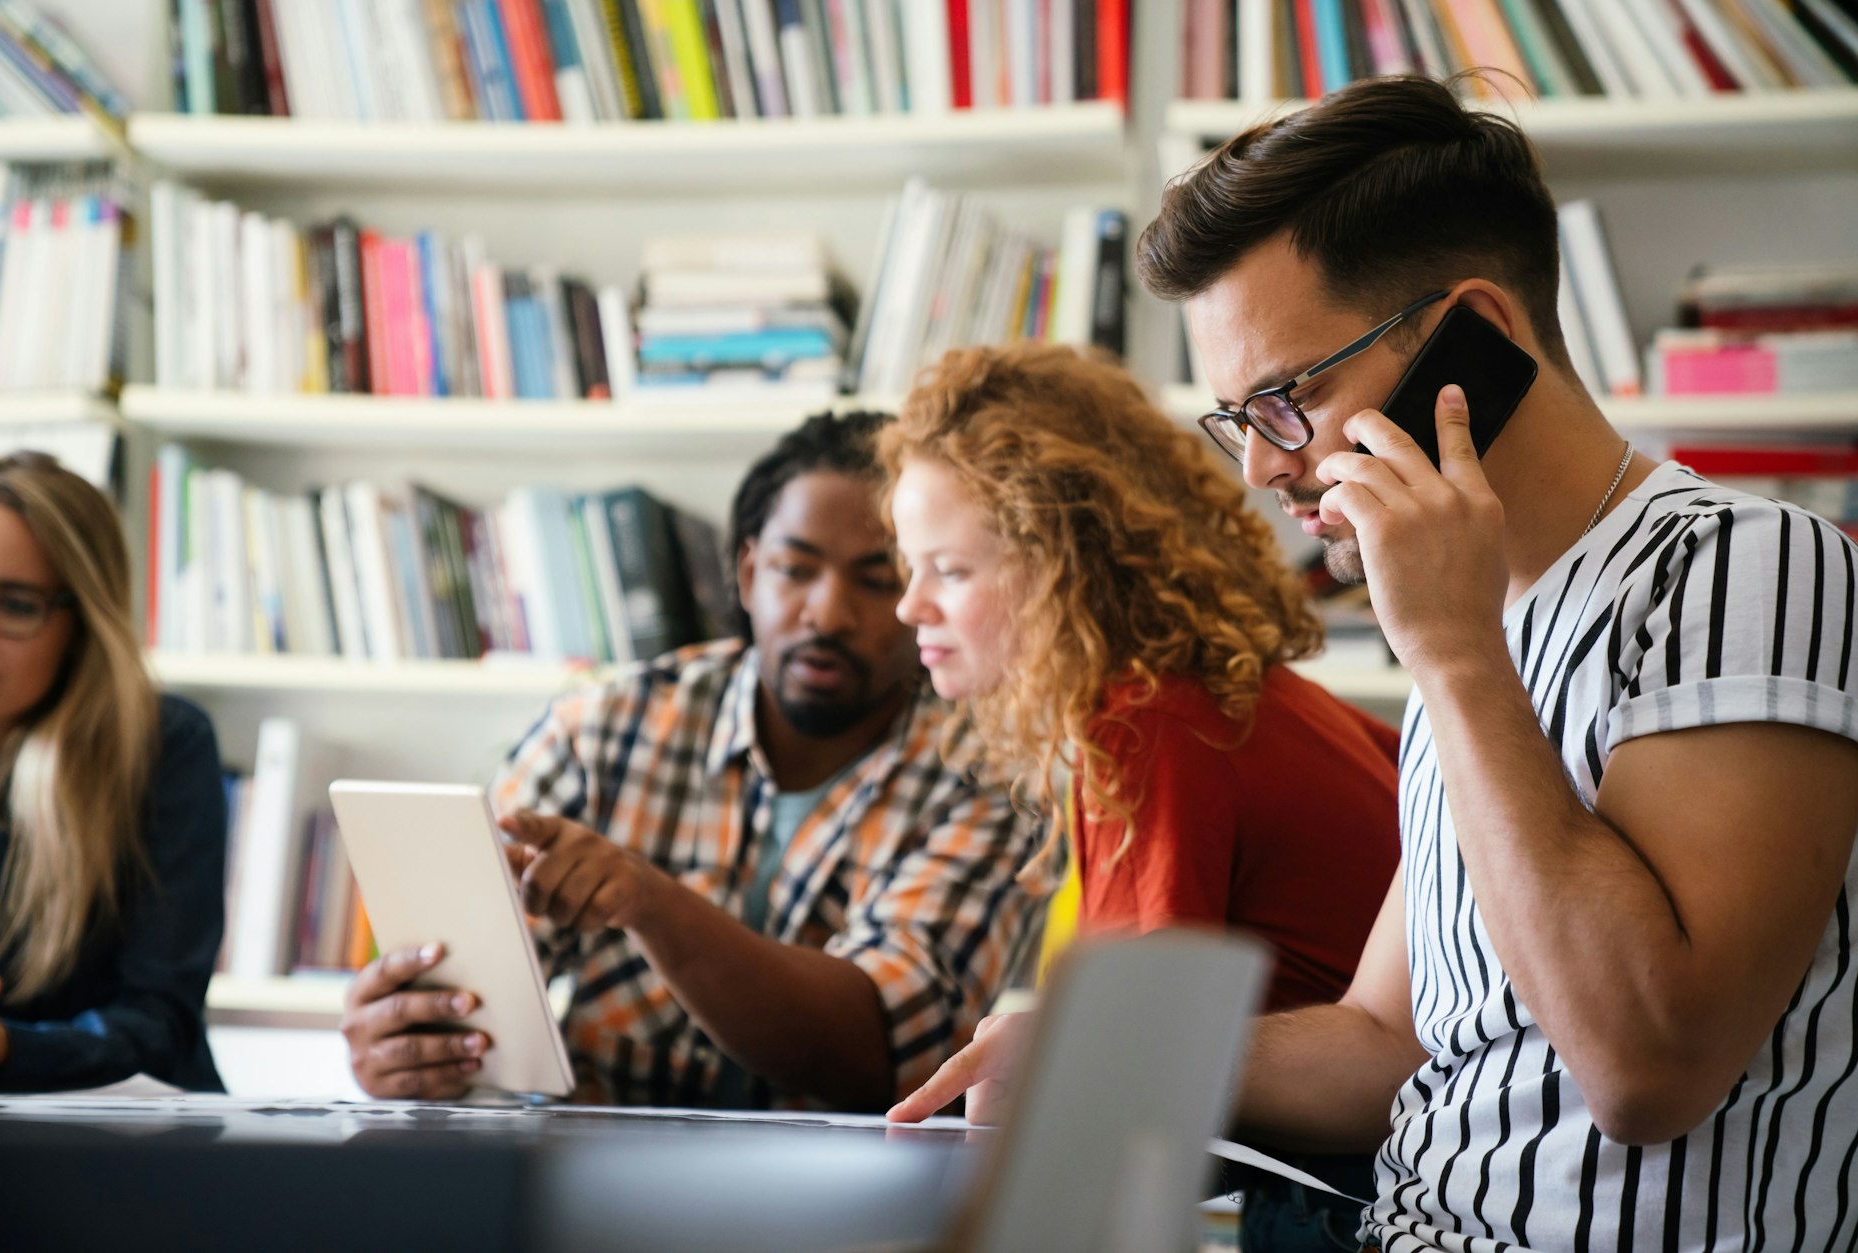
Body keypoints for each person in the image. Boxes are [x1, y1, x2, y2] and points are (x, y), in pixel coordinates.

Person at [890, 75, 1858, 1253]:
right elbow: (1386, 1040)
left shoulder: (1744, 566)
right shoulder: (1471, 616)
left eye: (1285, 397)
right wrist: (1096, 1051)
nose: (1260, 466)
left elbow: (1647, 1067)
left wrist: (1452, 657)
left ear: (1475, 338)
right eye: (1236, 418)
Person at [342, 411, 1047, 1110]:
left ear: (924, 594)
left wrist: (649, 901)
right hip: (590, 1156)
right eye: (795, 569)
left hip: (845, 1172)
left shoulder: (990, 776)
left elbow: (881, 1055)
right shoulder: (604, 730)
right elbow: (467, 986)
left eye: (877, 578)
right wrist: (408, 1041)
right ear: (747, 572)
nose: (828, 614)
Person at [881, 341, 1401, 1015]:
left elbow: (1127, 1048)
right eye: (910, 567)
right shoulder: (1239, 693)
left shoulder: (1146, 724)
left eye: (949, 570)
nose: (910, 606)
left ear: (1066, 566)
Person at [0, 451, 226, 1093]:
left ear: (84, 620)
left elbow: (160, 1026)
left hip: (130, 1136)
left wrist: (9, 1049)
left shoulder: (164, 747)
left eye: (14, 604)